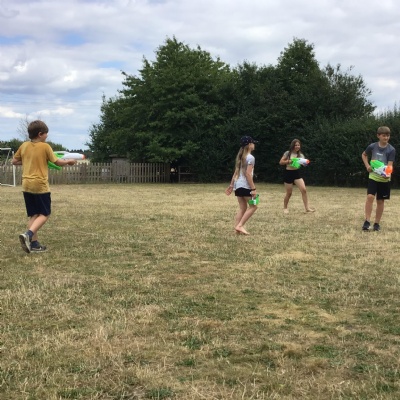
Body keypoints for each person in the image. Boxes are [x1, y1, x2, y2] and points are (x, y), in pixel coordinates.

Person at [12, 120, 76, 253]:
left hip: (26, 184)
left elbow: (14, 161)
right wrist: (69, 161)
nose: (47, 136)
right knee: (44, 213)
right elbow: (57, 162)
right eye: (46, 134)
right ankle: (28, 234)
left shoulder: (24, 146)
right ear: (40, 134)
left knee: (34, 214)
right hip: (39, 185)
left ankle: (34, 244)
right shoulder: (45, 146)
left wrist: (29, 160)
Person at [361, 126, 395, 231]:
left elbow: (390, 165)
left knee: (380, 201)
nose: (386, 138)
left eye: (388, 136)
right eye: (384, 135)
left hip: (384, 179)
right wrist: (367, 166)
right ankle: (367, 221)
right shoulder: (372, 146)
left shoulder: (391, 150)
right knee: (370, 197)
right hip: (373, 177)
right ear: (378, 136)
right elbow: (364, 155)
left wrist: (387, 173)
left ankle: (376, 224)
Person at [225, 135, 258, 235]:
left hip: (238, 186)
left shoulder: (241, 157)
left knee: (243, 208)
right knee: (253, 206)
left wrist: (231, 185)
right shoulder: (251, 158)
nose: (254, 145)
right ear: (249, 145)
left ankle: (237, 229)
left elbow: (236, 172)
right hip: (245, 186)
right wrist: (253, 189)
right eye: (253, 143)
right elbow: (248, 174)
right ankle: (240, 226)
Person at [279, 139, 315, 214]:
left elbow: (304, 164)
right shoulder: (288, 153)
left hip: (296, 173)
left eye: (298, 145)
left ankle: (307, 208)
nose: (297, 146)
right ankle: (285, 208)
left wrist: (305, 163)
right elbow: (281, 162)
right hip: (288, 173)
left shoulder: (301, 155)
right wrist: (289, 161)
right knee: (289, 193)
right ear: (293, 146)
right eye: (296, 145)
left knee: (304, 190)